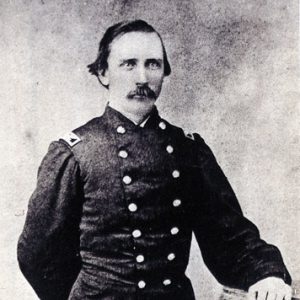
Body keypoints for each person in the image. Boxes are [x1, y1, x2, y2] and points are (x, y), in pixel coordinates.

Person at [17, 20, 292, 300]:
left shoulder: (188, 151)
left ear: (164, 72)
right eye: (129, 64)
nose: (142, 78)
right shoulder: (75, 153)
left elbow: (229, 237)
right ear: (103, 73)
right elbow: (38, 254)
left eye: (153, 64)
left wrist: (266, 273)